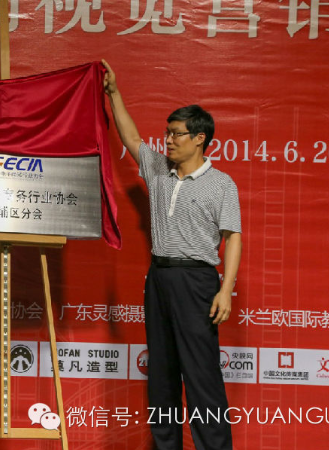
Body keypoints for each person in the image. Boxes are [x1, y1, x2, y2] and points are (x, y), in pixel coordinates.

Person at [102, 60, 242, 450]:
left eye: (177, 134)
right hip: (159, 278)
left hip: (197, 282)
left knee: (201, 376)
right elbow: (131, 137)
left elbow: (233, 237)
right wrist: (114, 92)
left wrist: (226, 290)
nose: (168, 140)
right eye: (167, 133)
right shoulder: (159, 171)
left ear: (199, 139)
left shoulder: (221, 184)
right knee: (161, 376)